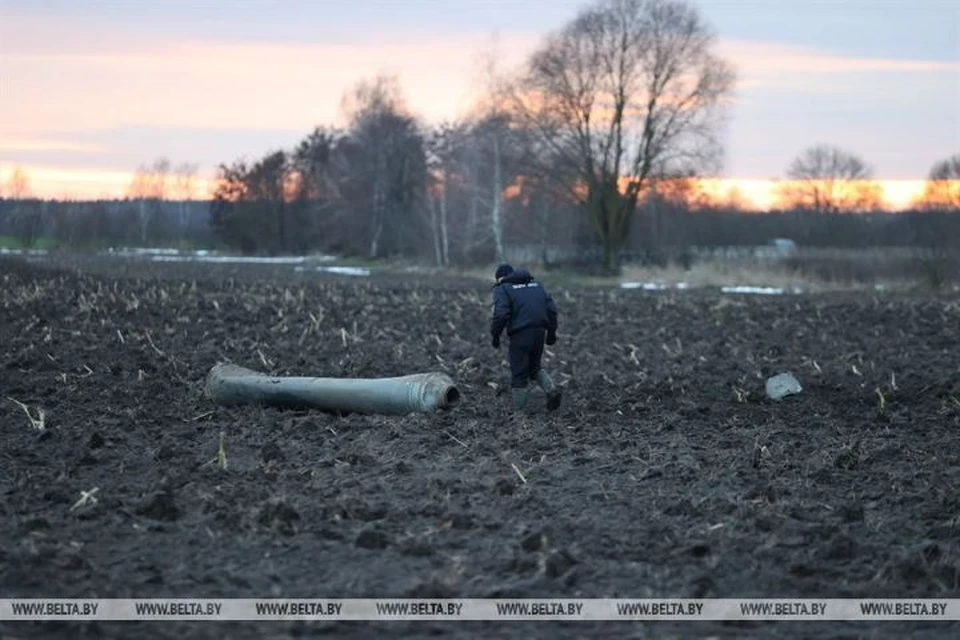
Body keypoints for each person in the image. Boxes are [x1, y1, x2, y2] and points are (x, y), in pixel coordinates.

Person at [490, 263, 562, 412]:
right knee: (534, 367)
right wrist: (551, 333)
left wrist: (495, 335)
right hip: (539, 332)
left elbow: (501, 314)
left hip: (520, 334)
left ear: (500, 278)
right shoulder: (536, 285)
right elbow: (552, 310)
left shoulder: (503, 288)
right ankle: (551, 389)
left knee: (519, 373)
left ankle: (519, 416)